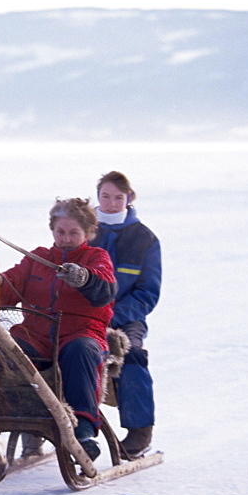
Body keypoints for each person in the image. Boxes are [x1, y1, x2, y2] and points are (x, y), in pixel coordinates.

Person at [0, 197, 116, 460]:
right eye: (61, 232)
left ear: (87, 233)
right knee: (0, 354)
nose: (65, 238)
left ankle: (83, 429)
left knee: (80, 352)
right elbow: (9, 285)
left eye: (74, 233)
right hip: (35, 334)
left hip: (80, 333)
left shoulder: (97, 257)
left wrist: (84, 278)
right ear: (52, 230)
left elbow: (105, 289)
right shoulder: (37, 258)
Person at [89, 171, 161, 457]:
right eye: (105, 196)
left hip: (126, 319)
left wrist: (112, 314)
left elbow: (148, 293)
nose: (111, 203)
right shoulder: (82, 229)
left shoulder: (144, 239)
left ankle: (139, 431)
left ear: (129, 199)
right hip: (80, 313)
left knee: (131, 355)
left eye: (118, 197)